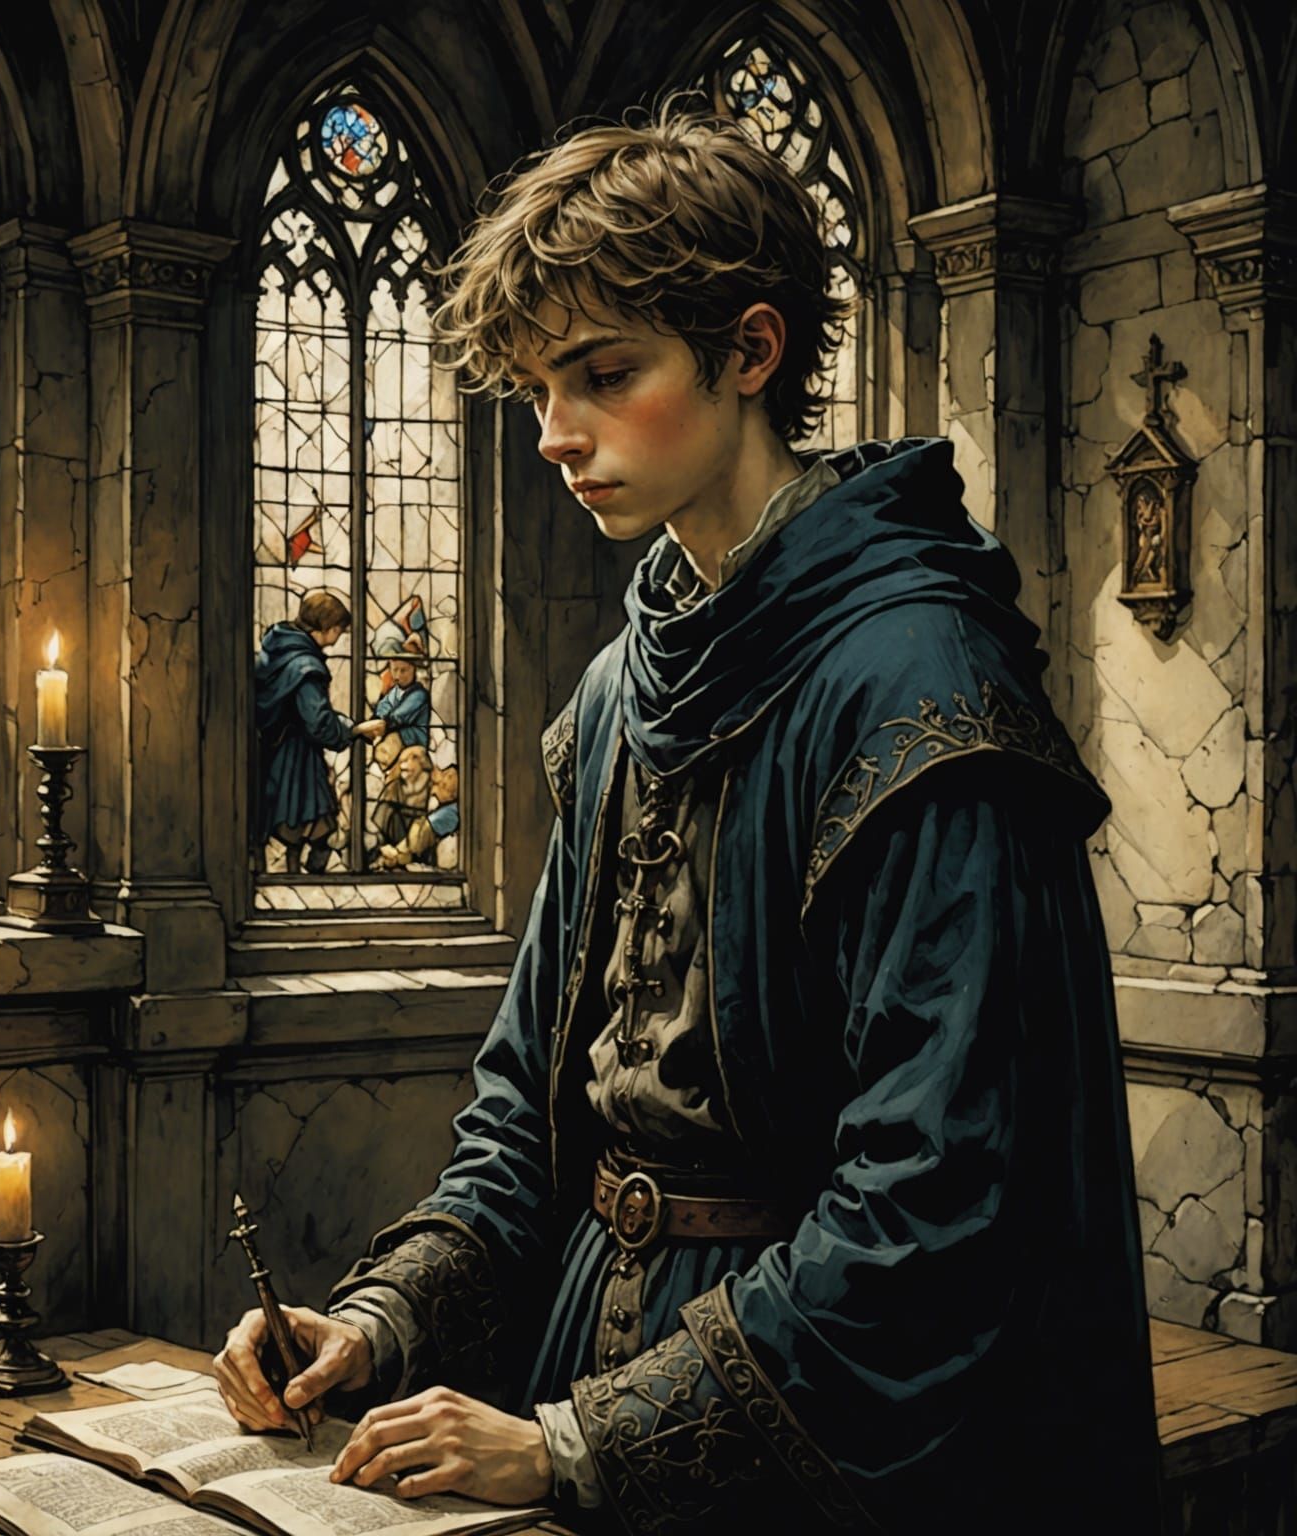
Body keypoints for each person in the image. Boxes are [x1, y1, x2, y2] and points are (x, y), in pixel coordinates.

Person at [215, 106, 1162, 1533]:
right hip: (576, 1356)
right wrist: (379, 1326)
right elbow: (530, 1112)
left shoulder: (923, 689)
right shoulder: (614, 694)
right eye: (536, 388)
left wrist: (583, 1447)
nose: (556, 434)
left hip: (831, 1431)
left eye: (606, 374)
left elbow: (937, 1198)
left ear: (752, 352)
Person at [255, 589, 385, 874]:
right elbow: (319, 723)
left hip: (271, 754)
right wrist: (356, 729)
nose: (339, 635)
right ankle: (302, 884)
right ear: (326, 628)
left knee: (291, 826)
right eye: (338, 628)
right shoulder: (306, 667)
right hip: (297, 760)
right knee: (317, 827)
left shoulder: (276, 650)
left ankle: (288, 879)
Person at [375, 762, 460, 869]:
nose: (440, 780)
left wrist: (397, 853)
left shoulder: (449, 813)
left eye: (444, 784)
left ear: (453, 796)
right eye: (445, 773)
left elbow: (422, 832)